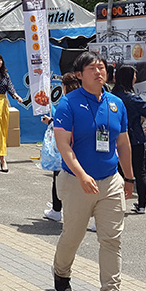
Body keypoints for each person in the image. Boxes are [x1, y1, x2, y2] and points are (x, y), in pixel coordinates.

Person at [50, 52, 136, 291]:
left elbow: (122, 143)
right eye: (92, 68)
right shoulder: (67, 104)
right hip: (77, 182)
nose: (99, 72)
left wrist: (129, 178)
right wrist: (82, 175)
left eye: (102, 67)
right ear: (79, 74)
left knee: (112, 239)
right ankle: (61, 271)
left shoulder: (116, 104)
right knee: (72, 236)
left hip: (110, 181)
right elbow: (64, 146)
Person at [112, 66, 146, 215]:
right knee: (139, 171)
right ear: (130, 78)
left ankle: (116, 202)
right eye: (134, 76)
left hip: (115, 139)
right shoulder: (132, 98)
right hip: (135, 139)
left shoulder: (112, 96)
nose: (136, 78)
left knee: (117, 172)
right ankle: (142, 204)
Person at [44, 72, 82, 222]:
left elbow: (63, 126)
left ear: (64, 87)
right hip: (84, 148)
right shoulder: (87, 99)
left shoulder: (66, 102)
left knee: (60, 179)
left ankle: (57, 209)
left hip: (67, 149)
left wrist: (51, 122)